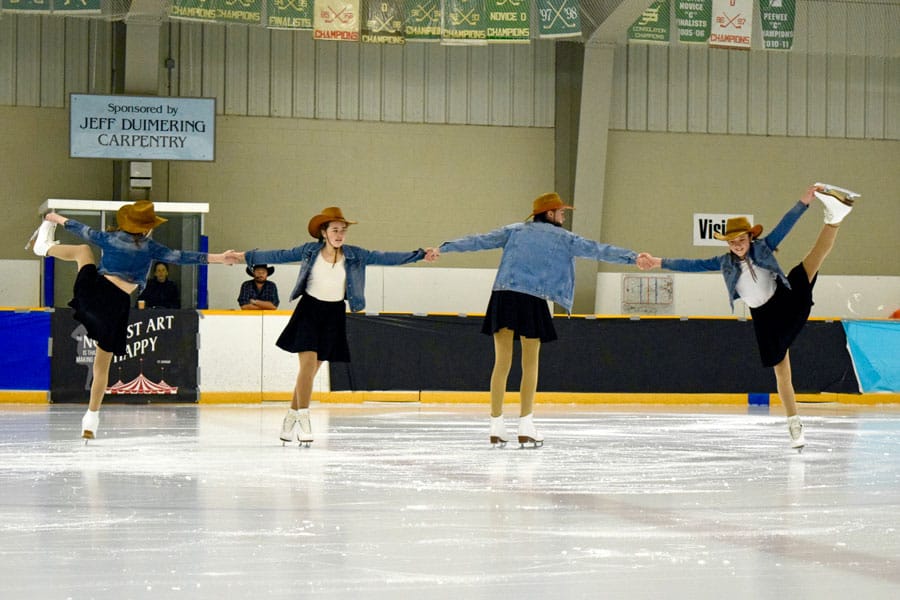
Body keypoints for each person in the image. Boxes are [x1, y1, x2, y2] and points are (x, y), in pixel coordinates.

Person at [639, 184, 858, 450]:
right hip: (764, 319)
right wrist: (658, 262)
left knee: (811, 262)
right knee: (782, 372)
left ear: (749, 237)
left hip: (784, 299)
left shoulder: (763, 247)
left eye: (741, 240)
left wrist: (804, 202)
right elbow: (691, 264)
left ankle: (835, 218)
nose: (737, 245)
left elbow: (784, 226)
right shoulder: (723, 263)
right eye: (732, 242)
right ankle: (794, 424)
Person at [431, 192, 649, 448]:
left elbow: (479, 241)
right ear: (549, 213)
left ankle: (496, 425)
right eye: (561, 212)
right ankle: (525, 425)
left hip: (504, 295)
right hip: (532, 299)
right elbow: (597, 250)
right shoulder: (565, 238)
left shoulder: (514, 231)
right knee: (530, 364)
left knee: (501, 363)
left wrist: (443, 248)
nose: (564, 216)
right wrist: (633, 257)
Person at [226, 207, 436, 447]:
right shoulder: (309, 251)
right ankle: (304, 419)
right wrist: (243, 256)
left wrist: (420, 255)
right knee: (307, 365)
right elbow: (278, 255)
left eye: (343, 230)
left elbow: (386, 257)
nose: (340, 234)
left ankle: (290, 417)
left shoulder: (355, 255)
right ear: (324, 232)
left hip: (333, 314)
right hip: (309, 311)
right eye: (335, 230)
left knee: (310, 372)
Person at [26, 201, 233, 440]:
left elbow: (82, 229)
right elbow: (182, 257)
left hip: (92, 294)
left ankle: (44, 249)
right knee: (101, 367)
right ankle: (91, 419)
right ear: (147, 228)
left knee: (82, 251)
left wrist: (56, 218)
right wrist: (220, 258)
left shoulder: (109, 238)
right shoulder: (150, 247)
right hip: (116, 305)